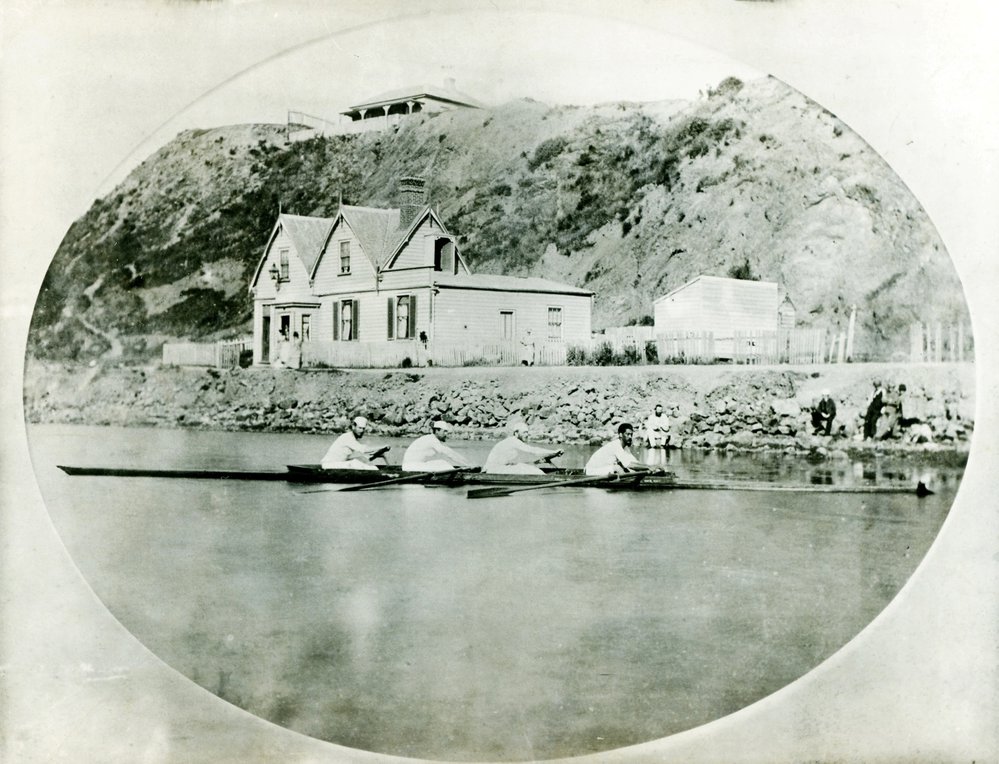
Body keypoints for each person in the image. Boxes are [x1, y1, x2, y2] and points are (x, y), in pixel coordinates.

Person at [483, 421, 563, 475]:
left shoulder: (515, 443)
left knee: (528, 466)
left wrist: (550, 456)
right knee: (532, 470)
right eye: (524, 432)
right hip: (493, 470)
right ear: (516, 433)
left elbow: (528, 459)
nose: (527, 434)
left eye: (527, 432)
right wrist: (554, 452)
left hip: (495, 469)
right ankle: (546, 478)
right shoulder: (513, 441)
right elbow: (533, 451)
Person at [585, 423, 657, 476]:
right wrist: (648, 467)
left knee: (625, 469)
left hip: (603, 469)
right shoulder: (616, 445)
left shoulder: (625, 447)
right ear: (620, 435)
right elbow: (629, 465)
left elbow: (634, 462)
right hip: (591, 471)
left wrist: (651, 466)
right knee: (618, 468)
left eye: (631, 434)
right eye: (627, 434)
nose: (630, 437)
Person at [402, 420, 475, 472]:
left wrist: (468, 464)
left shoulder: (432, 439)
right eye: (444, 431)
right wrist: (469, 465)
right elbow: (449, 454)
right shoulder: (432, 440)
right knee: (443, 464)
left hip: (411, 466)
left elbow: (450, 451)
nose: (446, 434)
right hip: (411, 467)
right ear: (437, 431)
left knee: (442, 463)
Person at [320, 416, 390, 470]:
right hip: (329, 465)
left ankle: (377, 471)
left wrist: (378, 453)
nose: (361, 431)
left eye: (363, 429)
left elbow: (363, 456)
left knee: (360, 460)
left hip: (336, 465)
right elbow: (364, 449)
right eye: (359, 428)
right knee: (357, 463)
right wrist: (383, 447)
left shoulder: (353, 439)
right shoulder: (347, 437)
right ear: (353, 427)